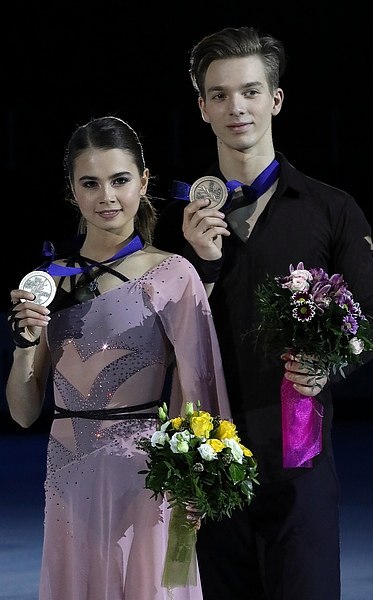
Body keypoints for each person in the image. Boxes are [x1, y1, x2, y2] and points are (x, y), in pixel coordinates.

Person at [153, 26, 373, 600]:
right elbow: (153, 346)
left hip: (299, 459)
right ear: (202, 108)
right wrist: (202, 269)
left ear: (276, 100)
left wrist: (329, 366)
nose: (237, 107)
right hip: (205, 458)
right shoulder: (169, 226)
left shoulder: (331, 209)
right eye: (219, 94)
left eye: (251, 91)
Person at [6, 115, 231, 600]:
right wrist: (25, 343)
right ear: (72, 190)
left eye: (119, 180)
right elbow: (24, 413)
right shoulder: (49, 281)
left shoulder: (173, 274)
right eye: (90, 183)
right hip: (67, 478)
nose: (106, 196)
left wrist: (197, 483)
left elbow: (200, 388)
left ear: (144, 182)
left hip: (148, 480)